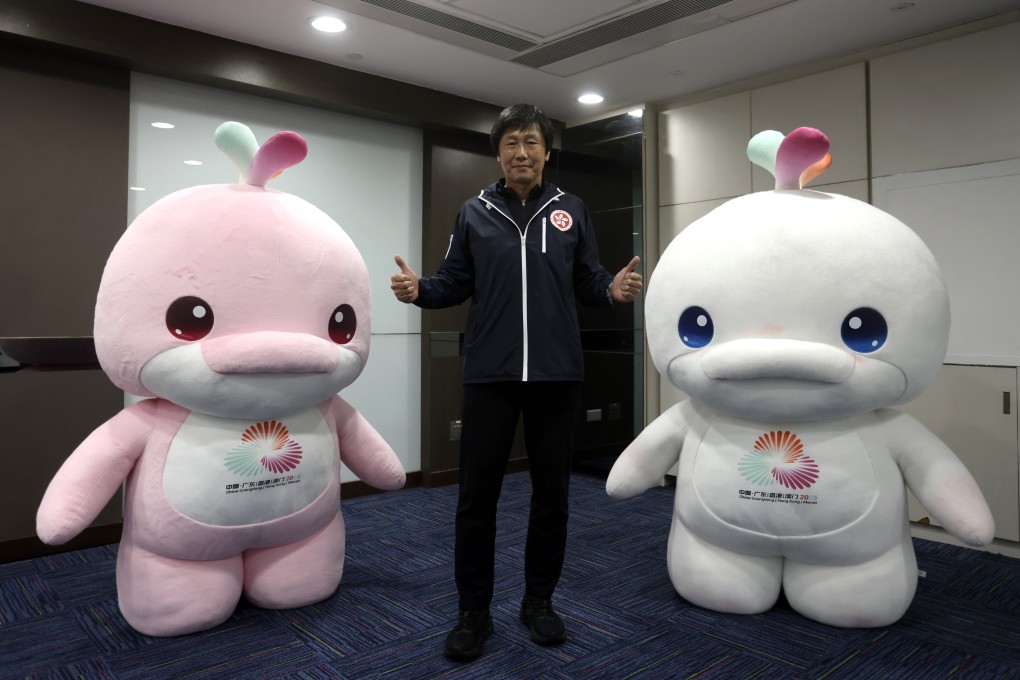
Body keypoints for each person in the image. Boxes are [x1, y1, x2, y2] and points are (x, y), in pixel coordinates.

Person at [391, 103, 642, 660]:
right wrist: (420, 291)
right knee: (477, 499)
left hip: (557, 375)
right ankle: (473, 612)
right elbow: (454, 282)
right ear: (498, 153)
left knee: (552, 497)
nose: (521, 153)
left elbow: (589, 279)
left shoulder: (570, 210)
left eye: (531, 142)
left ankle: (538, 603)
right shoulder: (474, 212)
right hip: (490, 375)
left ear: (546, 152)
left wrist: (611, 291)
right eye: (511, 143)